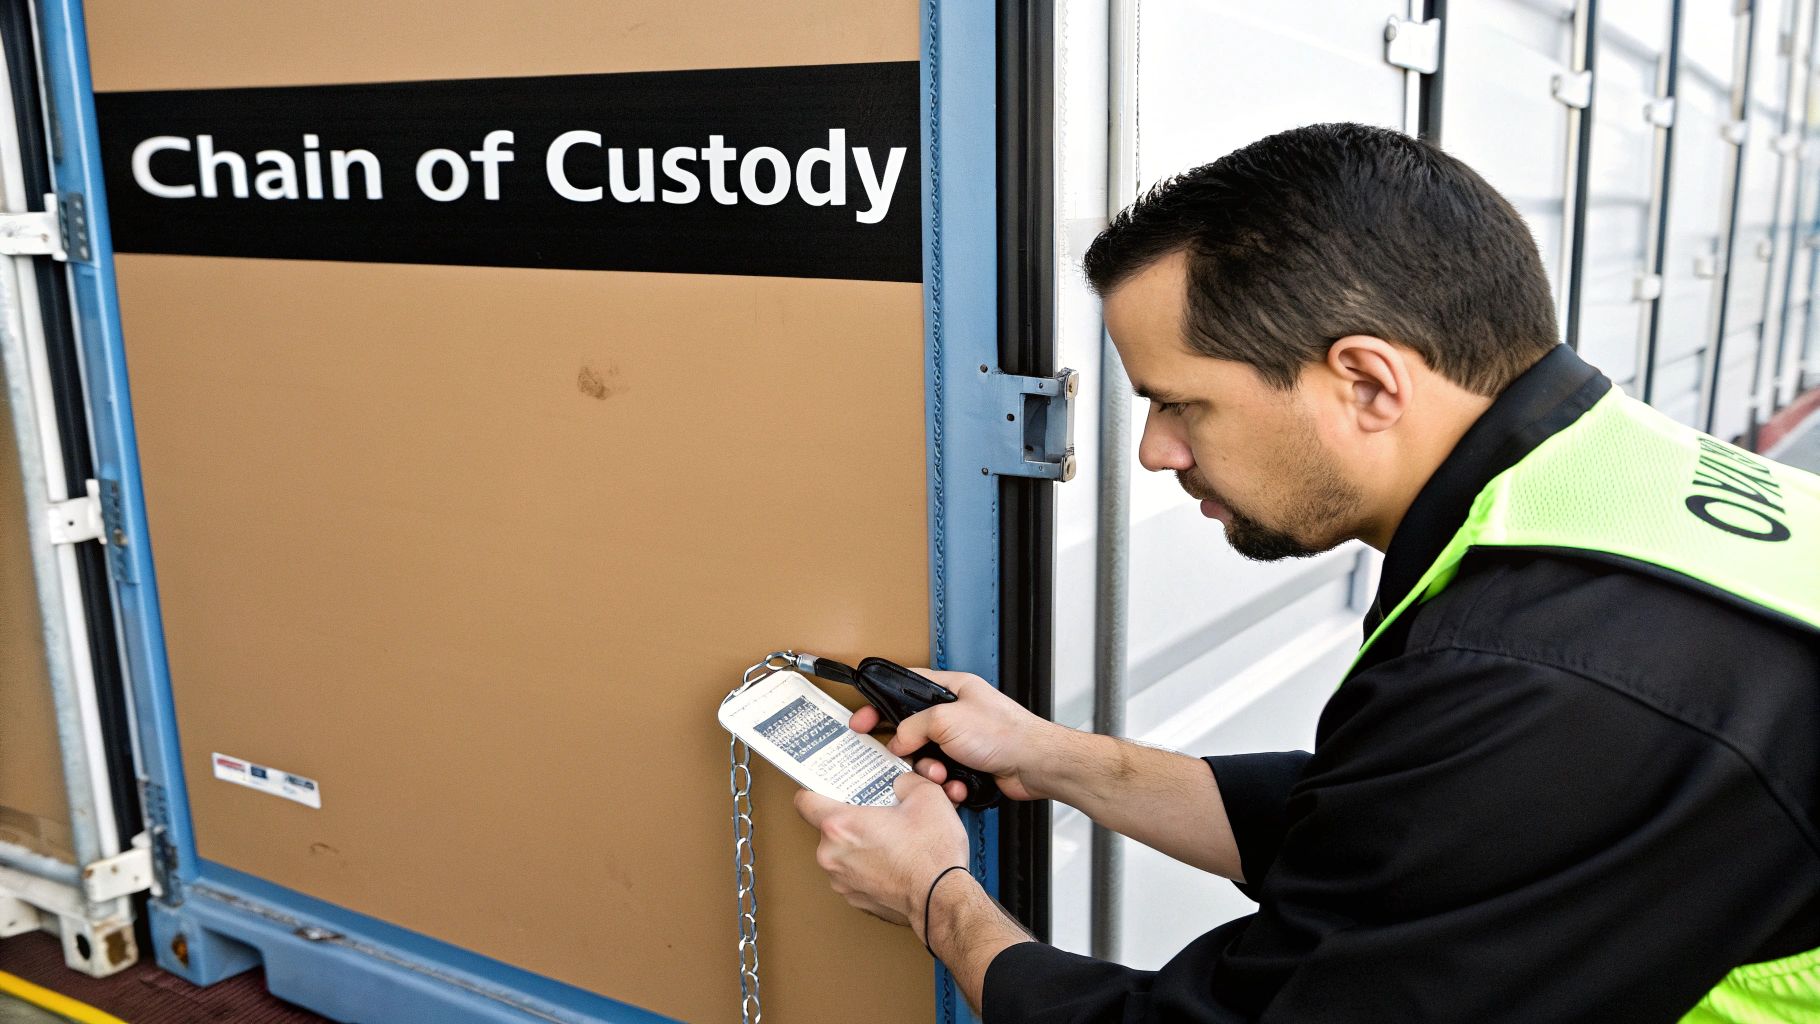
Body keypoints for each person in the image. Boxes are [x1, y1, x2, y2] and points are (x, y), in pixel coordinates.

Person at [793, 122, 1820, 1022]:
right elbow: (1398, 828)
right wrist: (1047, 754)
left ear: (1366, 382)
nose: (1154, 451)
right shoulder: (1606, 482)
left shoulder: (1538, 670)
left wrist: (933, 896)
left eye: (1179, 403)